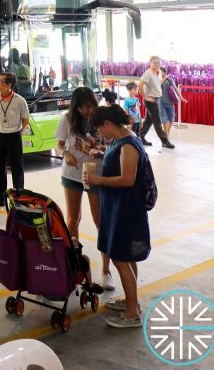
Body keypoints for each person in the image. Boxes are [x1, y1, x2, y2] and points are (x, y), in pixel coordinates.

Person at [82, 104, 151, 328]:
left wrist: (97, 180)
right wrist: (102, 152)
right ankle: (131, 300)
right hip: (118, 206)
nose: (99, 134)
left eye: (100, 130)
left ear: (108, 124)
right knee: (126, 257)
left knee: (121, 258)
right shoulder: (122, 140)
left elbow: (127, 179)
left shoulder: (128, 145)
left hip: (125, 208)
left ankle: (132, 313)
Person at [55, 87, 114, 291]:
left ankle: (106, 270)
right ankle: (75, 265)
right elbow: (59, 145)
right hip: (71, 174)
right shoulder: (67, 119)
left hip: (95, 174)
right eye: (81, 107)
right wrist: (66, 155)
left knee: (100, 222)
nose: (85, 110)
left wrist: (101, 151)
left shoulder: (102, 118)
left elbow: (112, 144)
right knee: (72, 220)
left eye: (89, 105)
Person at [0, 72, 30, 209]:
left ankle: (18, 199)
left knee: (17, 169)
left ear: (9, 85)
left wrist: (18, 134)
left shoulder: (20, 101)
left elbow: (25, 122)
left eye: (1, 82)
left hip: (14, 136)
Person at [136, 56, 174, 149]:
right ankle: (164, 141)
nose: (157, 64)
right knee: (157, 122)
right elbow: (140, 85)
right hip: (151, 100)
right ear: (150, 63)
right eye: (155, 62)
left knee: (149, 121)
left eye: (159, 62)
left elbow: (158, 84)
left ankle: (140, 138)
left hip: (157, 99)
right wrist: (145, 97)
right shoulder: (147, 73)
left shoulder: (159, 72)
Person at [158, 66, 187, 138]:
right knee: (164, 119)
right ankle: (166, 136)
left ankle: (166, 132)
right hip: (160, 102)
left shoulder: (170, 80)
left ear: (164, 72)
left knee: (172, 118)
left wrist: (181, 98)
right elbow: (157, 88)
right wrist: (163, 79)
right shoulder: (157, 80)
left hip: (170, 102)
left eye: (160, 72)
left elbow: (176, 89)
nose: (158, 73)